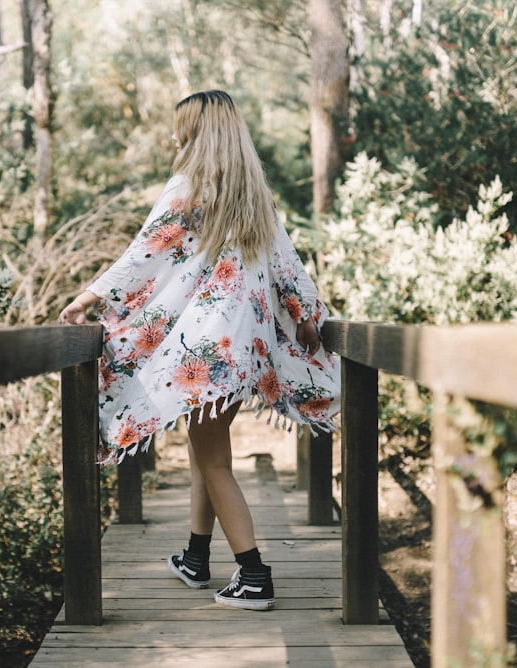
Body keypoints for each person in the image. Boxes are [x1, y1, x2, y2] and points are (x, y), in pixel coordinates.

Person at [59, 89, 340, 611]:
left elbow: (141, 254)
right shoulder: (253, 193)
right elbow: (287, 266)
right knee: (204, 449)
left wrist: (86, 299)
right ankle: (195, 556)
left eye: (180, 127)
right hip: (246, 346)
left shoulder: (187, 186)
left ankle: (254, 575)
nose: (173, 137)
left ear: (198, 133)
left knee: (213, 462)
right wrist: (304, 316)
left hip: (207, 349)